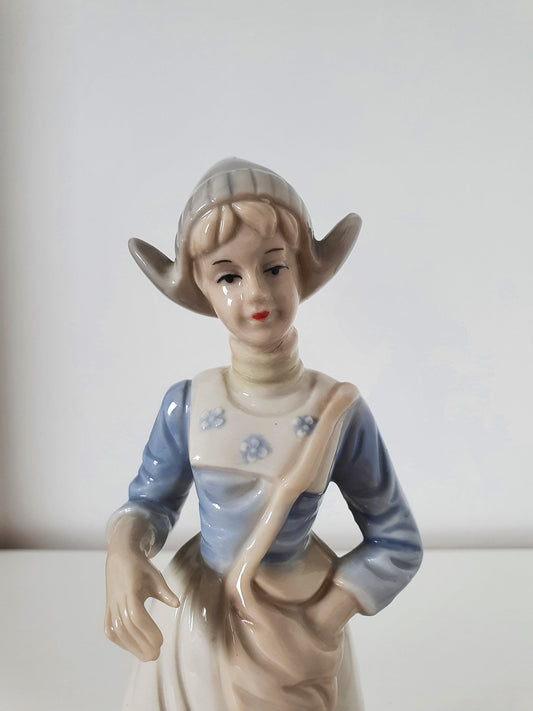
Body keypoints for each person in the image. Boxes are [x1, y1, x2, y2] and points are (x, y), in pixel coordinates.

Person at [105, 158, 423, 711]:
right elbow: (150, 503)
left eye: (273, 267)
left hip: (296, 621)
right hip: (202, 624)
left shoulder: (337, 410)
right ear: (203, 288)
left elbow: (396, 541)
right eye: (228, 276)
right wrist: (122, 551)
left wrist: (324, 617)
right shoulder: (189, 404)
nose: (255, 294)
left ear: (300, 269)